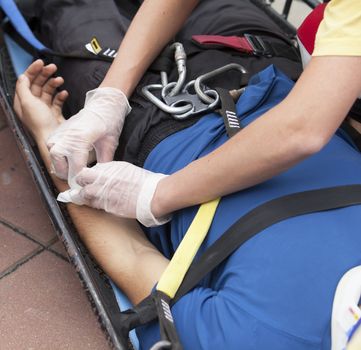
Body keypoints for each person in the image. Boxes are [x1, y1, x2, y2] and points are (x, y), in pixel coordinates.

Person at [12, 1, 361, 349]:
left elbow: (131, 256)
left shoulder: (251, 339)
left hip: (153, 120)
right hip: (264, 63)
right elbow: (304, 126)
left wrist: (51, 139)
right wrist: (111, 97)